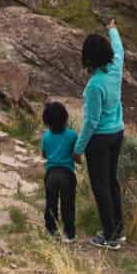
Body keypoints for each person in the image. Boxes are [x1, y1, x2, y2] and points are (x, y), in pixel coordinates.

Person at [73, 18, 125, 250]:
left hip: (100, 140)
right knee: (112, 182)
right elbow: (120, 48)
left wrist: (78, 148)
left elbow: (91, 122)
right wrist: (113, 29)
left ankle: (109, 236)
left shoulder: (95, 85)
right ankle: (118, 229)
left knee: (101, 186)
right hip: (117, 133)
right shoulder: (115, 68)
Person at [40, 101, 78, 242]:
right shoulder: (72, 135)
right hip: (67, 174)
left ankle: (52, 230)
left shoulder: (46, 136)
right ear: (65, 117)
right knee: (68, 205)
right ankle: (69, 234)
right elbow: (76, 154)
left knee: (51, 203)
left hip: (51, 174)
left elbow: (44, 154)